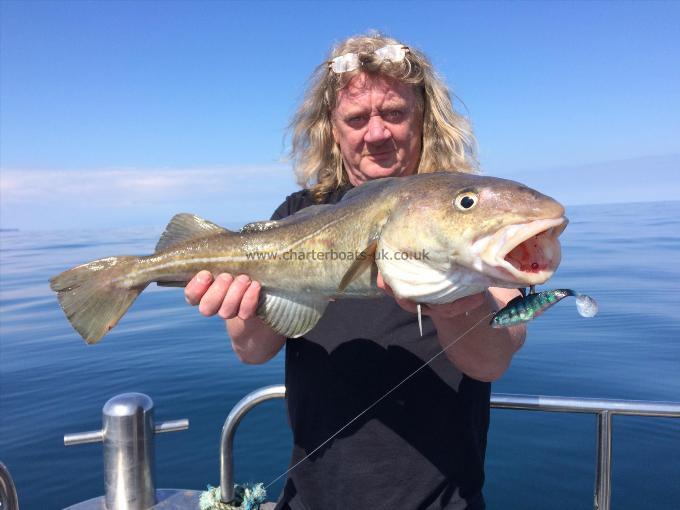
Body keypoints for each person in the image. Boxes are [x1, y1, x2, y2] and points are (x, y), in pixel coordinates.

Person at [185, 33, 526, 509]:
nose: (377, 133)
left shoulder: (466, 211)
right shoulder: (296, 212)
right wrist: (242, 305)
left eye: (393, 113)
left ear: (424, 118)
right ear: (332, 128)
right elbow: (252, 350)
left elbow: (493, 359)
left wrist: (458, 303)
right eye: (357, 118)